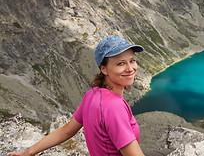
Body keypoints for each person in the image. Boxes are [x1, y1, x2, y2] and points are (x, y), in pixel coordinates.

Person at [8, 35, 146, 156]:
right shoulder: (114, 107)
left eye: (132, 60)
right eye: (121, 63)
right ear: (104, 69)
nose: (130, 68)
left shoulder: (92, 94)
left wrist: (29, 152)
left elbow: (67, 131)